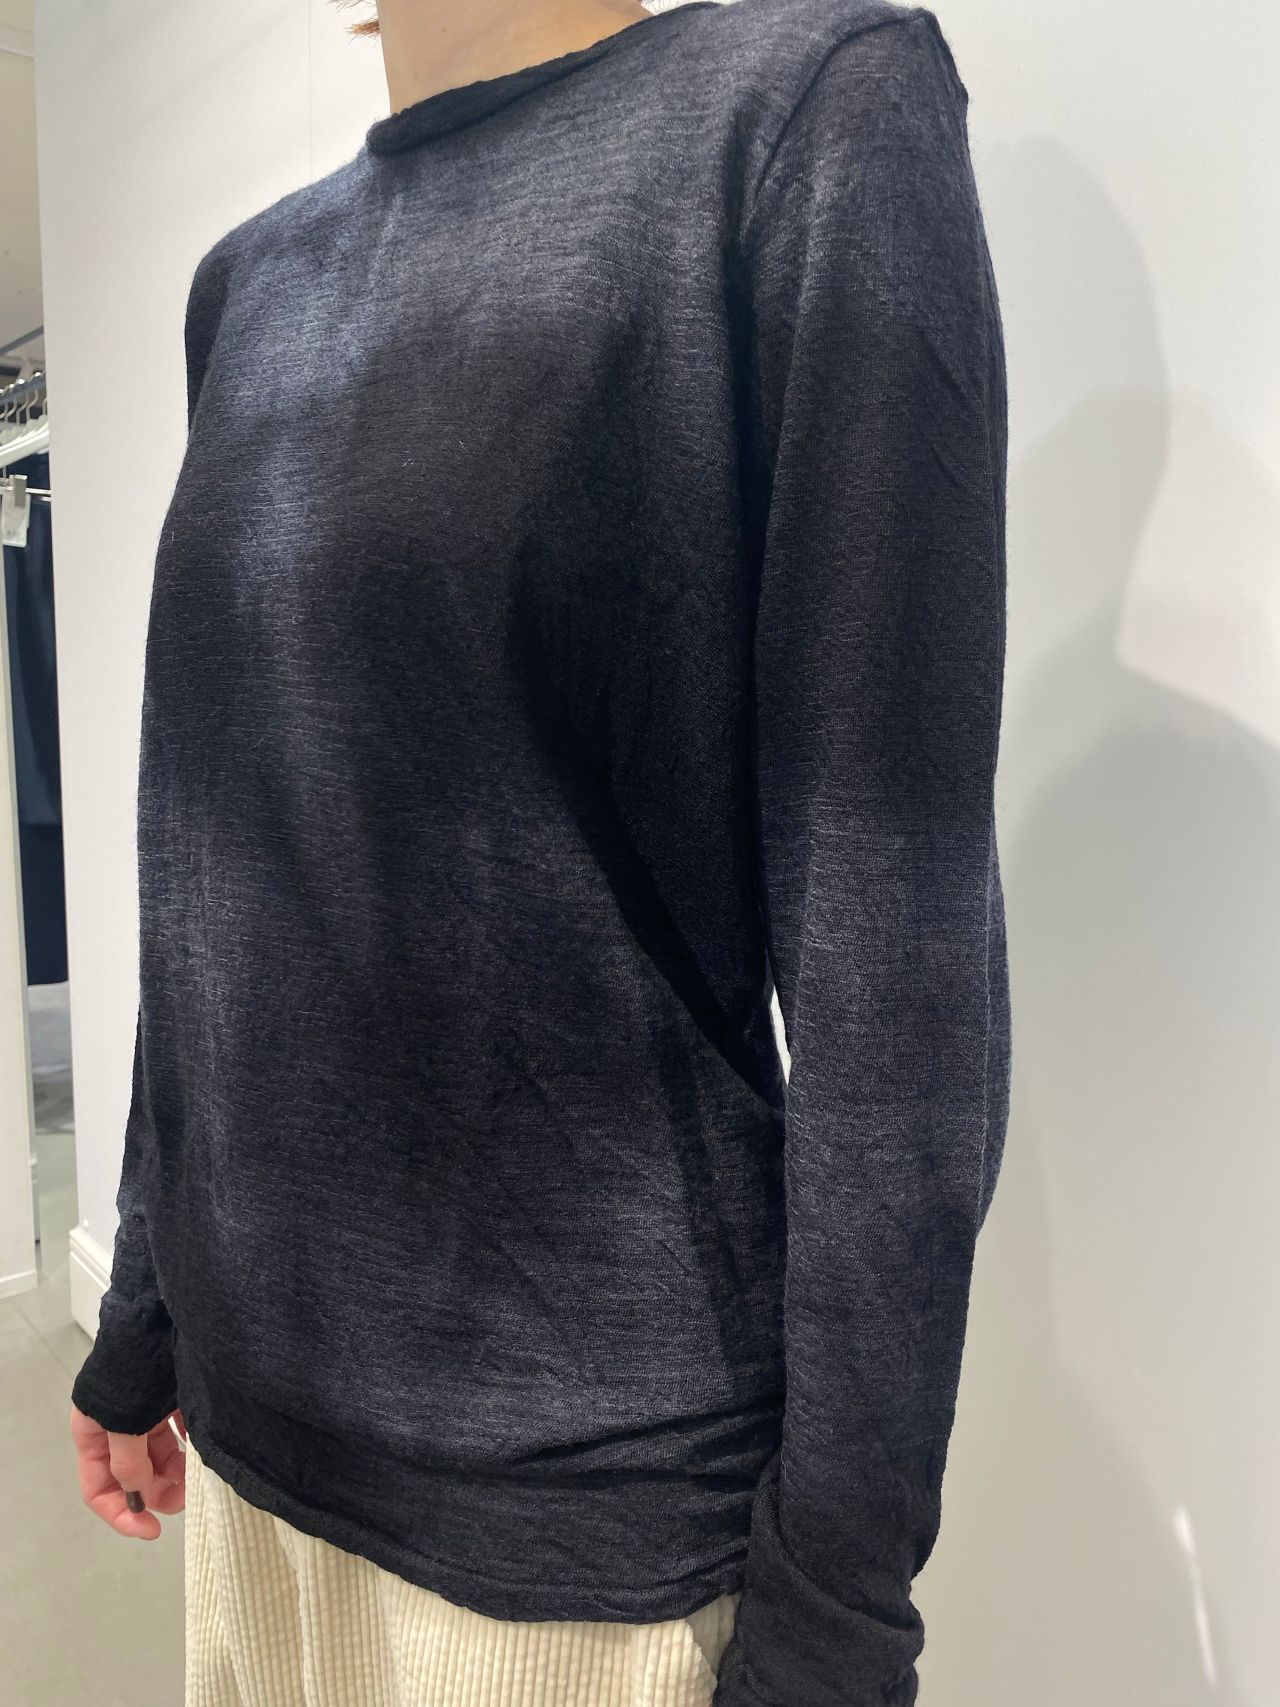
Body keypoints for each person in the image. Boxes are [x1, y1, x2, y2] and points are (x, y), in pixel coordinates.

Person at [69, 0, 1011, 1703]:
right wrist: (143, 1307)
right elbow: (211, 859)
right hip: (253, 1447)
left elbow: (895, 949)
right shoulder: (247, 284)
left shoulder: (796, 121)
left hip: (575, 1545)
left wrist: (840, 1602)